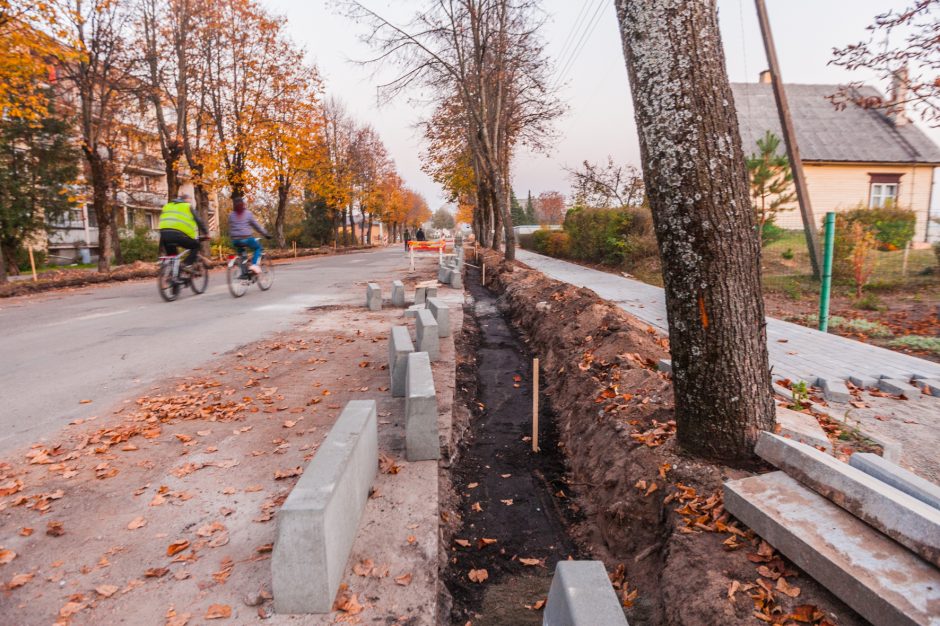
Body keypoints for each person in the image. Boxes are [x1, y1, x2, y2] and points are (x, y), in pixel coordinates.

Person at [158, 192, 208, 271]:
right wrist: (206, 233)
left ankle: (173, 277)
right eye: (189, 200)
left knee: (173, 257)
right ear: (185, 200)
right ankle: (186, 264)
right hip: (179, 235)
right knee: (196, 246)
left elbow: (163, 221)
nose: (190, 202)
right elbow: (199, 220)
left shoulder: (167, 206)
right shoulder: (187, 206)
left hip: (165, 236)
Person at [229, 197, 271, 274]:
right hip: (246, 238)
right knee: (258, 247)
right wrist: (265, 234)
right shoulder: (248, 214)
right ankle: (254, 265)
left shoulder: (231, 215)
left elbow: (231, 227)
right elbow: (256, 226)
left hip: (235, 240)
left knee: (242, 255)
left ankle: (244, 273)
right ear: (243, 204)